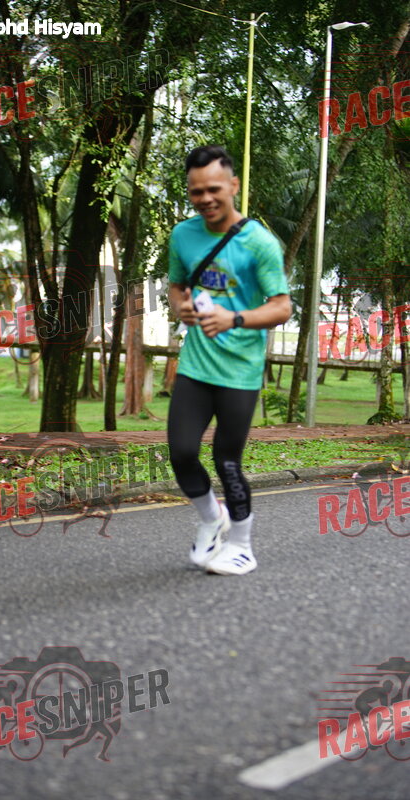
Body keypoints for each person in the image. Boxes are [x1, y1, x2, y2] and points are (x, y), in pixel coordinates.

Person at [167, 145, 291, 575]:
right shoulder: (183, 236)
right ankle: (211, 519)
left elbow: (282, 307)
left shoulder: (259, 243)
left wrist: (234, 318)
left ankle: (242, 546)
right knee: (182, 452)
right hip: (196, 365)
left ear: (233, 185)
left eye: (214, 189)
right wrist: (181, 308)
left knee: (228, 461)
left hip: (240, 370)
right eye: (196, 191)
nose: (205, 199)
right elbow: (176, 286)